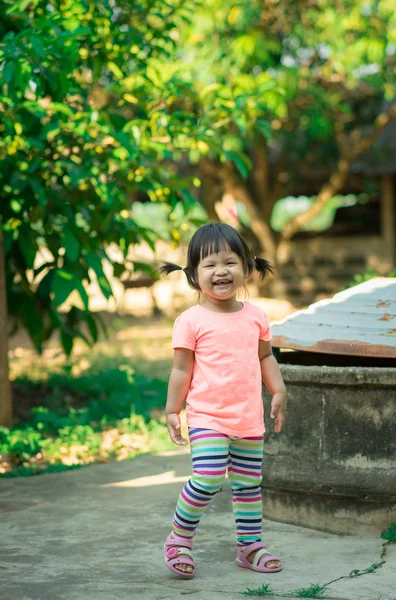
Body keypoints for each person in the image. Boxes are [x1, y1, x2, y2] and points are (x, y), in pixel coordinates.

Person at [157, 222, 287, 579]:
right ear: (193, 275)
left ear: (247, 267)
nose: (220, 271)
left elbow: (265, 358)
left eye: (229, 262)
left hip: (248, 419)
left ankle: (250, 547)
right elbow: (182, 370)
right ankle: (179, 539)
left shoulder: (256, 316)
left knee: (248, 485)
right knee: (209, 478)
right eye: (209, 264)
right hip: (207, 418)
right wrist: (173, 409)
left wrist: (278, 390)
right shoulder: (190, 320)